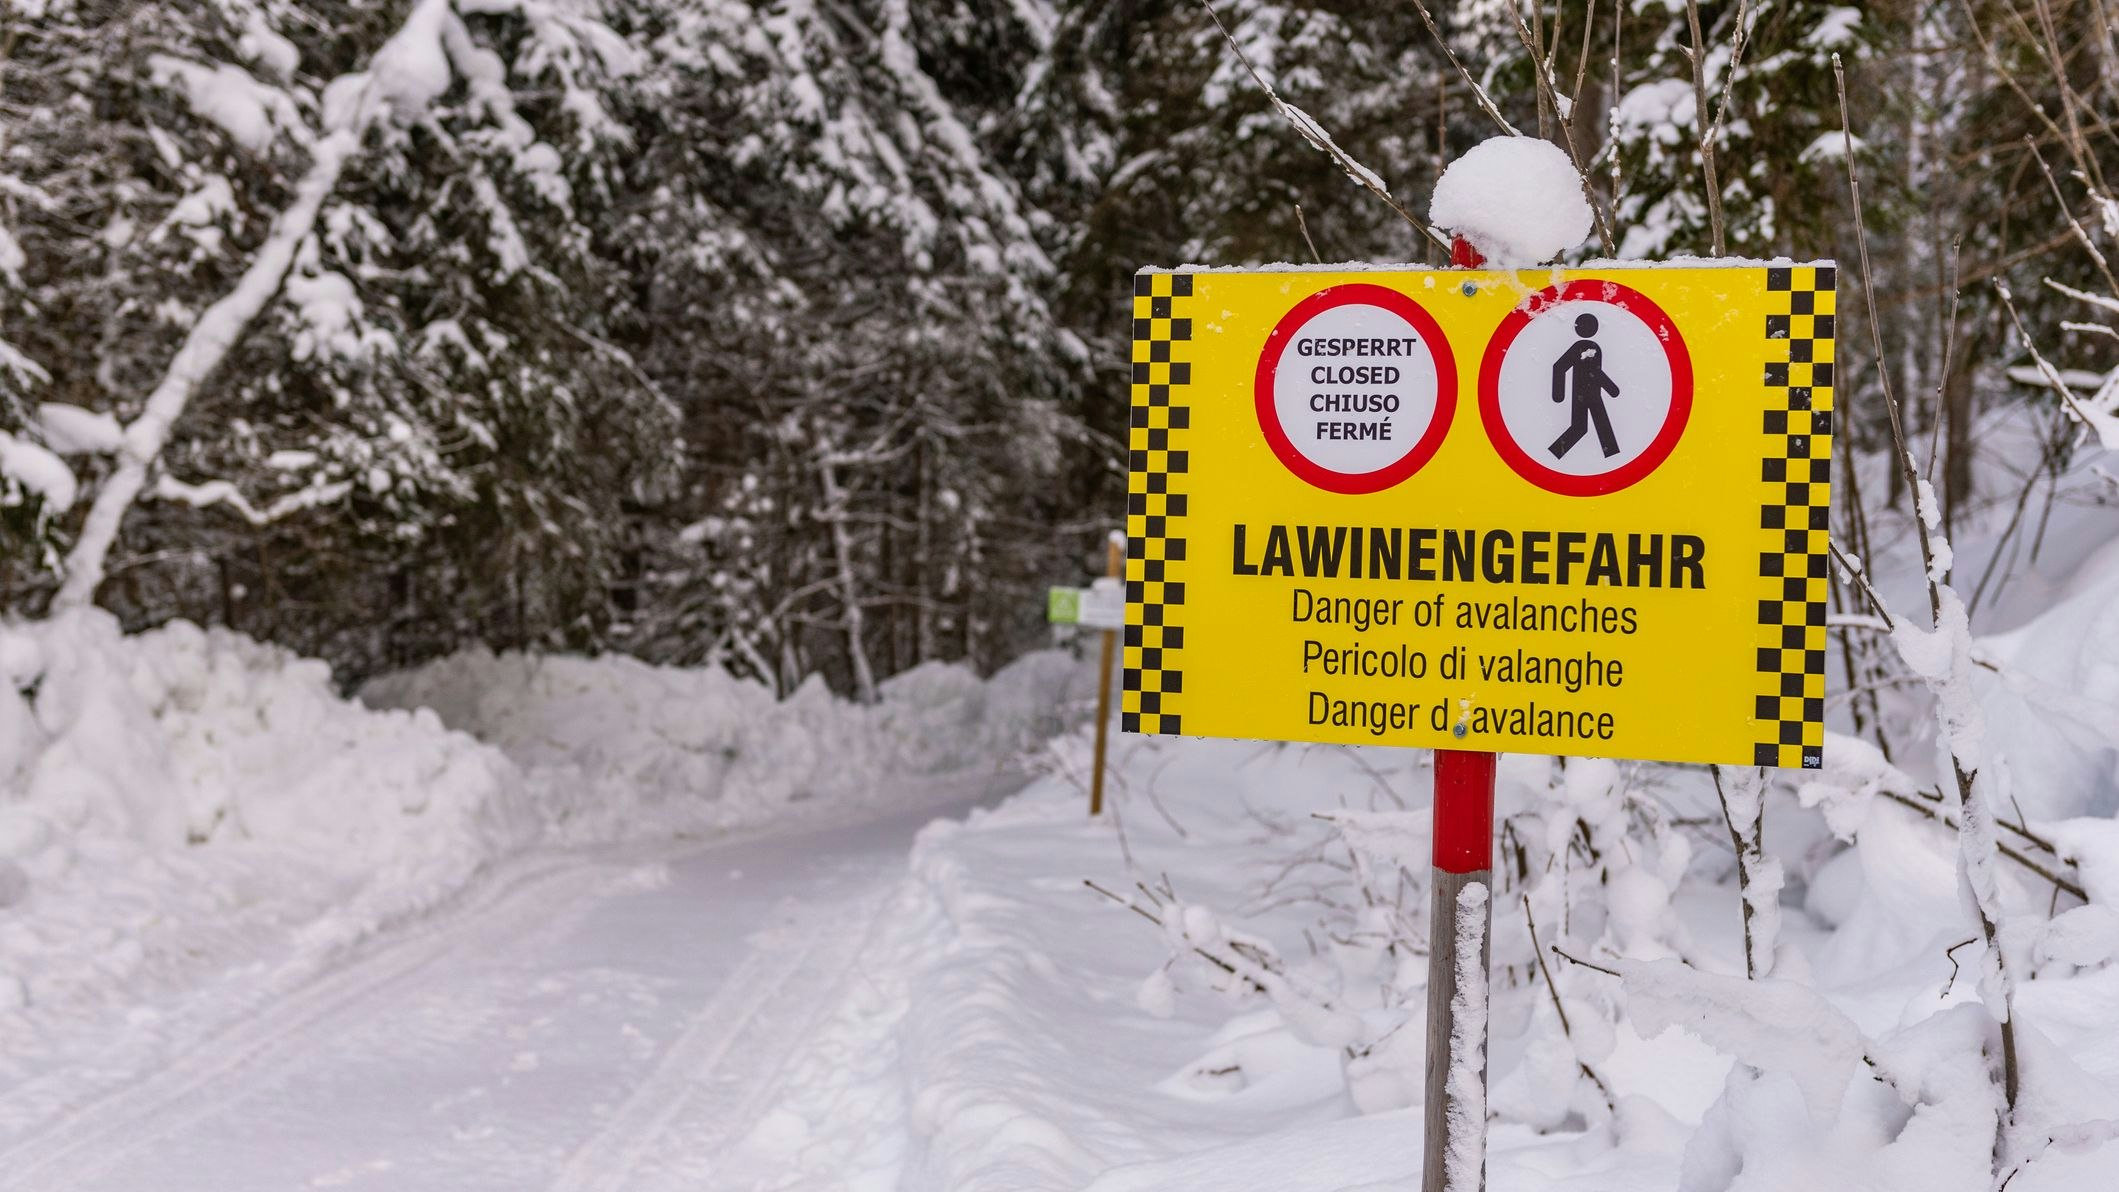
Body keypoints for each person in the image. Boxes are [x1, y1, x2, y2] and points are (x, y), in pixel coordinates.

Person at [1549, 312, 1621, 459]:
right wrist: (1558, 394)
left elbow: (1594, 371)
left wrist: (1611, 389)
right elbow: (1560, 367)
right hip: (1581, 395)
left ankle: (1613, 456)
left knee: (1594, 426)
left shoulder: (1593, 348)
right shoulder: (1580, 348)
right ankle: (1555, 453)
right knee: (1582, 428)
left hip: (1593, 395)